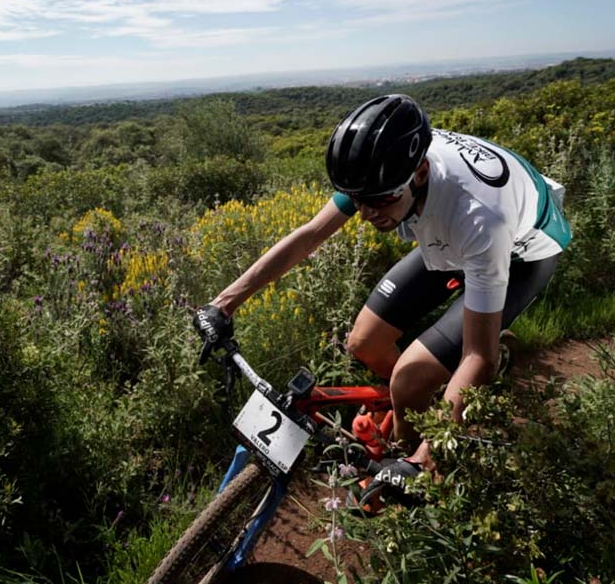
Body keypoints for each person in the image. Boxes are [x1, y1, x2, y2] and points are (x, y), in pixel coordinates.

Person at [194, 94, 571, 506]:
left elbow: (480, 353)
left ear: (421, 172)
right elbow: (310, 234)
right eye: (356, 200)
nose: (367, 212)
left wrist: (423, 456)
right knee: (364, 342)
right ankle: (431, 399)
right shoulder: (377, 175)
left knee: (410, 375)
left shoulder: (478, 217)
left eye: (379, 200)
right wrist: (223, 303)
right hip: (443, 231)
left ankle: (422, 475)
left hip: (519, 254)